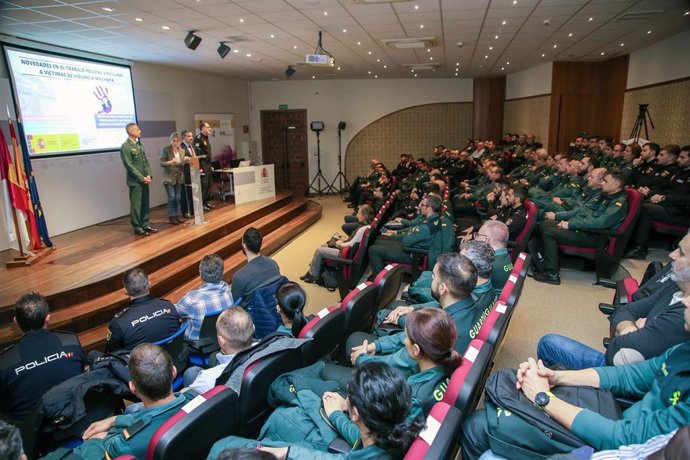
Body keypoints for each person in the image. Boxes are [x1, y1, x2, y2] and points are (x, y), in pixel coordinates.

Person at [461, 294, 690, 459]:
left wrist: (544, 397)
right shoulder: (684, 349)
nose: (684, 302)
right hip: (617, 417)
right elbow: (630, 375)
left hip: (614, 447)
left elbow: (623, 439)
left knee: (478, 427)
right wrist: (558, 377)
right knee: (504, 400)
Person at [207, 361, 425, 460]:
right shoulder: (408, 415)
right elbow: (362, 439)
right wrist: (336, 414)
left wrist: (287, 453)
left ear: (356, 414)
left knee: (221, 447)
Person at [349, 253, 479, 377]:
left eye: (433, 277)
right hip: (423, 363)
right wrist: (377, 346)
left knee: (353, 340)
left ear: (442, 288)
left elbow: (400, 362)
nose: (431, 280)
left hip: (408, 377)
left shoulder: (445, 327)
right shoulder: (468, 303)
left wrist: (362, 359)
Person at [72, 344, 196, 459]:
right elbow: (155, 416)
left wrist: (94, 441)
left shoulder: (127, 444)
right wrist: (115, 420)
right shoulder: (195, 398)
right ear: (174, 372)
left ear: (133, 388)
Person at [532, 171, 629, 285]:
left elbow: (599, 223)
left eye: (605, 181)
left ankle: (552, 274)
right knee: (545, 224)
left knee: (549, 231)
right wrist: (569, 222)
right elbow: (584, 212)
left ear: (616, 185)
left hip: (595, 237)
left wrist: (570, 224)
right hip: (585, 230)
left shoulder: (618, 203)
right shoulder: (606, 196)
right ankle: (542, 263)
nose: (602, 183)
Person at [0, 293, 85, 422]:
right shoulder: (71, 342)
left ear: (15, 322)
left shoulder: (5, 363)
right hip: (78, 419)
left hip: (35, 436)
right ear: (48, 318)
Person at [105, 267, 181, 353]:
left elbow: (112, 355)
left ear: (125, 291)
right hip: (175, 361)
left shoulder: (118, 323)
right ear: (149, 284)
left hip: (142, 365)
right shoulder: (168, 306)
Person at [367, 194, 442, 276]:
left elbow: (406, 241)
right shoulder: (433, 219)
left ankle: (379, 280)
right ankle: (375, 268)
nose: (420, 206)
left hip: (412, 254)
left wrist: (404, 234)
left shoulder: (426, 226)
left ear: (429, 208)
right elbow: (413, 230)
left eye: (423, 205)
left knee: (373, 249)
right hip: (414, 249)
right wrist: (398, 233)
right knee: (378, 240)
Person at [185, 308, 255, 394]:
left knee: (191, 373)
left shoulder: (207, 380)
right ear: (253, 328)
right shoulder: (270, 347)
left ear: (221, 341)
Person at [301, 205, 374, 285]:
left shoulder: (362, 229)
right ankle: (311, 270)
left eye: (359, 214)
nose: (356, 215)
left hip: (345, 254)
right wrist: (344, 239)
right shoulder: (366, 227)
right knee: (324, 246)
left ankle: (313, 275)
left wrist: (340, 243)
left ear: (364, 216)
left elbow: (351, 244)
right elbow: (354, 241)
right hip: (347, 250)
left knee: (320, 250)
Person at [175, 254, 234, 340]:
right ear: (222, 272)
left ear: (200, 273)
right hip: (221, 337)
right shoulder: (227, 290)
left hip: (196, 344)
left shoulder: (192, 300)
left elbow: (174, 312)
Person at [120, 122, 157, 236]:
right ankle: (137, 226)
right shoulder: (125, 146)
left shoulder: (139, 145)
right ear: (131, 131)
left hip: (145, 180)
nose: (140, 131)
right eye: (137, 129)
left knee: (145, 203)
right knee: (136, 205)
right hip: (135, 181)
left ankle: (145, 224)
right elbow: (129, 165)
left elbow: (145, 162)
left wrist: (149, 175)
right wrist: (141, 178)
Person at [231, 228, 282, 306]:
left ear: (244, 246)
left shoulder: (240, 276)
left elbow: (235, 304)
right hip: (274, 307)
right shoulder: (273, 264)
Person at [159, 131, 187, 225]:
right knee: (172, 197)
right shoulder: (166, 150)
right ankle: (172, 216)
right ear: (171, 140)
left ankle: (177, 216)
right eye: (174, 140)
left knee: (178, 197)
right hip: (169, 178)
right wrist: (170, 162)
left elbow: (182, 163)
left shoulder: (182, 150)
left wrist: (185, 161)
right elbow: (161, 163)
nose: (176, 143)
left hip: (178, 177)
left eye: (178, 141)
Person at [194, 121, 214, 212]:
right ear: (202, 128)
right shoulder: (198, 138)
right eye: (208, 127)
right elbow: (197, 155)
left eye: (210, 127)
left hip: (208, 165)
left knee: (209, 184)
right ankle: (201, 205)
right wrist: (200, 167)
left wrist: (211, 165)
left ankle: (206, 202)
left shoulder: (207, 138)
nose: (210, 129)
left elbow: (208, 154)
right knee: (204, 185)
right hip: (202, 165)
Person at [180, 129, 196, 218]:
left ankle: (193, 209)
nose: (191, 138)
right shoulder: (181, 147)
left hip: (193, 172)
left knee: (192, 192)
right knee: (185, 193)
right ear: (184, 137)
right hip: (185, 173)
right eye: (189, 136)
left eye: (191, 136)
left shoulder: (192, 146)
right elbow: (181, 160)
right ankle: (185, 211)